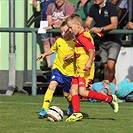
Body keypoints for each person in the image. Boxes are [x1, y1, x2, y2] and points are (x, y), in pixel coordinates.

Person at [64, 13, 119, 122]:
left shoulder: (83, 37)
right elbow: (82, 51)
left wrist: (89, 62)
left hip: (85, 69)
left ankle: (109, 99)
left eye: (71, 27)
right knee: (73, 89)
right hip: (79, 69)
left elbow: (91, 50)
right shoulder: (80, 36)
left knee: (82, 92)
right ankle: (77, 113)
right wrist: (72, 55)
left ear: (78, 25)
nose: (69, 30)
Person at [36, 21, 76, 118]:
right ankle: (44, 109)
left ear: (71, 30)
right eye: (61, 32)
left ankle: (71, 104)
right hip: (58, 68)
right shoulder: (59, 41)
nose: (62, 34)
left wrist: (71, 56)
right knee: (52, 85)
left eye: (65, 32)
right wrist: (44, 54)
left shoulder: (76, 42)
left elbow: (80, 53)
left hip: (70, 72)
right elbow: (53, 49)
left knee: (66, 94)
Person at [84, 0, 121, 84]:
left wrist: (100, 29)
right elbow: (87, 22)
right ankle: (112, 91)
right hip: (101, 41)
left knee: (110, 66)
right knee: (106, 67)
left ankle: (106, 86)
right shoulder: (93, 8)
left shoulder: (110, 7)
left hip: (113, 40)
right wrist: (86, 27)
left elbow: (114, 25)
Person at [32, 0, 55, 70]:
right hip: (43, 21)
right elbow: (34, 1)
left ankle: (54, 63)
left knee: (53, 42)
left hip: (53, 20)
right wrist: (34, 3)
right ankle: (49, 64)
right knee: (45, 42)